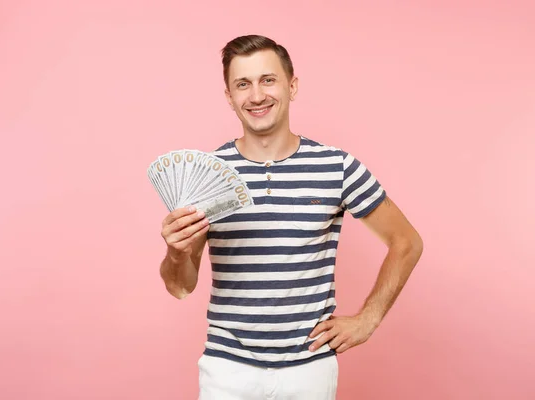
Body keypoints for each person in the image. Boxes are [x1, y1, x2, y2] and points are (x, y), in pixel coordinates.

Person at [159, 34, 423, 400]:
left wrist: (368, 318)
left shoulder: (337, 166)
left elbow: (407, 242)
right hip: (228, 369)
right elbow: (181, 287)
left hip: (309, 369)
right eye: (243, 84)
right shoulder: (207, 174)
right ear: (229, 97)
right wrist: (175, 253)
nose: (256, 95)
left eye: (268, 80)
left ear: (292, 85)